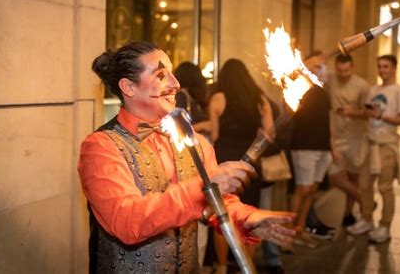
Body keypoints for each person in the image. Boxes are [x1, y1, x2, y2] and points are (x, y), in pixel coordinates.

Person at [77, 42, 296, 273]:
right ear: (129, 87)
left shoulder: (193, 141)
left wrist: (246, 218)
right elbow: (127, 220)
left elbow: (215, 205)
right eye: (161, 75)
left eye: (171, 73)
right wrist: (204, 187)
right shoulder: (101, 146)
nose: (176, 83)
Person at [208, 58, 275, 273]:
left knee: (223, 215)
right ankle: (247, 266)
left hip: (225, 164)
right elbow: (269, 134)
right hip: (250, 164)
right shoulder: (260, 99)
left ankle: (220, 266)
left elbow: (215, 134)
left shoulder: (218, 98)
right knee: (250, 216)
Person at [346, 54, 400, 243]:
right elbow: (369, 114)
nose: (382, 70)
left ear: (394, 68)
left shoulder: (399, 91)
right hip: (370, 143)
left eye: (386, 67)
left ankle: (385, 226)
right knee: (365, 184)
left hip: (387, 145)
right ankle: (367, 219)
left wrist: (382, 116)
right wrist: (352, 113)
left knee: (384, 187)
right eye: (380, 66)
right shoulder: (374, 89)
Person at [289, 56, 332, 248]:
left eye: (321, 67)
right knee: (303, 189)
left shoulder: (322, 91)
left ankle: (300, 228)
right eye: (314, 66)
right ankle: (289, 233)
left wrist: (333, 146)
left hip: (323, 147)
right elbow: (291, 113)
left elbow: (328, 119)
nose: (319, 70)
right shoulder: (298, 86)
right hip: (304, 146)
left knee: (312, 190)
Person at [173, 61, 211, 267]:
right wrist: (205, 125)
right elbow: (178, 129)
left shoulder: (187, 98)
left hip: (195, 163)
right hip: (189, 164)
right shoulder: (181, 97)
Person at [326, 54, 369, 227]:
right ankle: (365, 202)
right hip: (336, 135)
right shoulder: (330, 78)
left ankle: (347, 214)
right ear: (335, 68)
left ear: (352, 67)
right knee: (334, 176)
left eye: (347, 70)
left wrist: (352, 112)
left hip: (355, 137)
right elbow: (312, 68)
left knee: (353, 177)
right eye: (340, 70)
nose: (343, 74)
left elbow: (368, 113)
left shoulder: (362, 85)